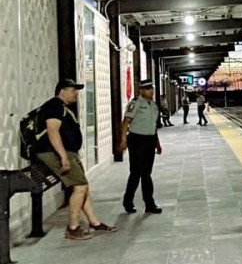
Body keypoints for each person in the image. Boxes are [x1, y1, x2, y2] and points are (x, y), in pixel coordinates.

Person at [35, 79, 117, 240]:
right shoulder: (54, 106)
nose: (76, 94)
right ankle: (72, 227)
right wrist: (63, 157)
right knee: (80, 187)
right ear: (62, 91)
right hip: (54, 152)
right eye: (73, 90)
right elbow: (52, 131)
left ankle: (94, 222)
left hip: (66, 152)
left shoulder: (61, 107)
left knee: (83, 186)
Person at [119, 79, 163, 214]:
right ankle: (128, 201)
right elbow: (126, 122)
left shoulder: (154, 106)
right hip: (137, 141)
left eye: (151, 88)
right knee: (136, 173)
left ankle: (149, 204)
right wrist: (123, 140)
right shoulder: (135, 103)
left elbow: (153, 126)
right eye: (148, 89)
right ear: (141, 90)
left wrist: (157, 144)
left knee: (147, 174)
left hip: (150, 141)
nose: (151, 91)